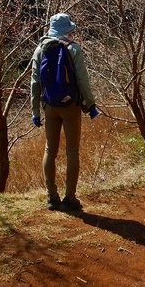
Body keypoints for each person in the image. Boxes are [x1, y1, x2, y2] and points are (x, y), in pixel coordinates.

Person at [30, 13, 99, 211]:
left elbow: (35, 83)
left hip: (49, 107)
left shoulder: (39, 50)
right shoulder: (74, 49)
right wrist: (91, 105)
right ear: (66, 31)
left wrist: (35, 111)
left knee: (49, 150)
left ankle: (52, 197)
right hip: (71, 106)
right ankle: (70, 199)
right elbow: (82, 81)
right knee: (72, 151)